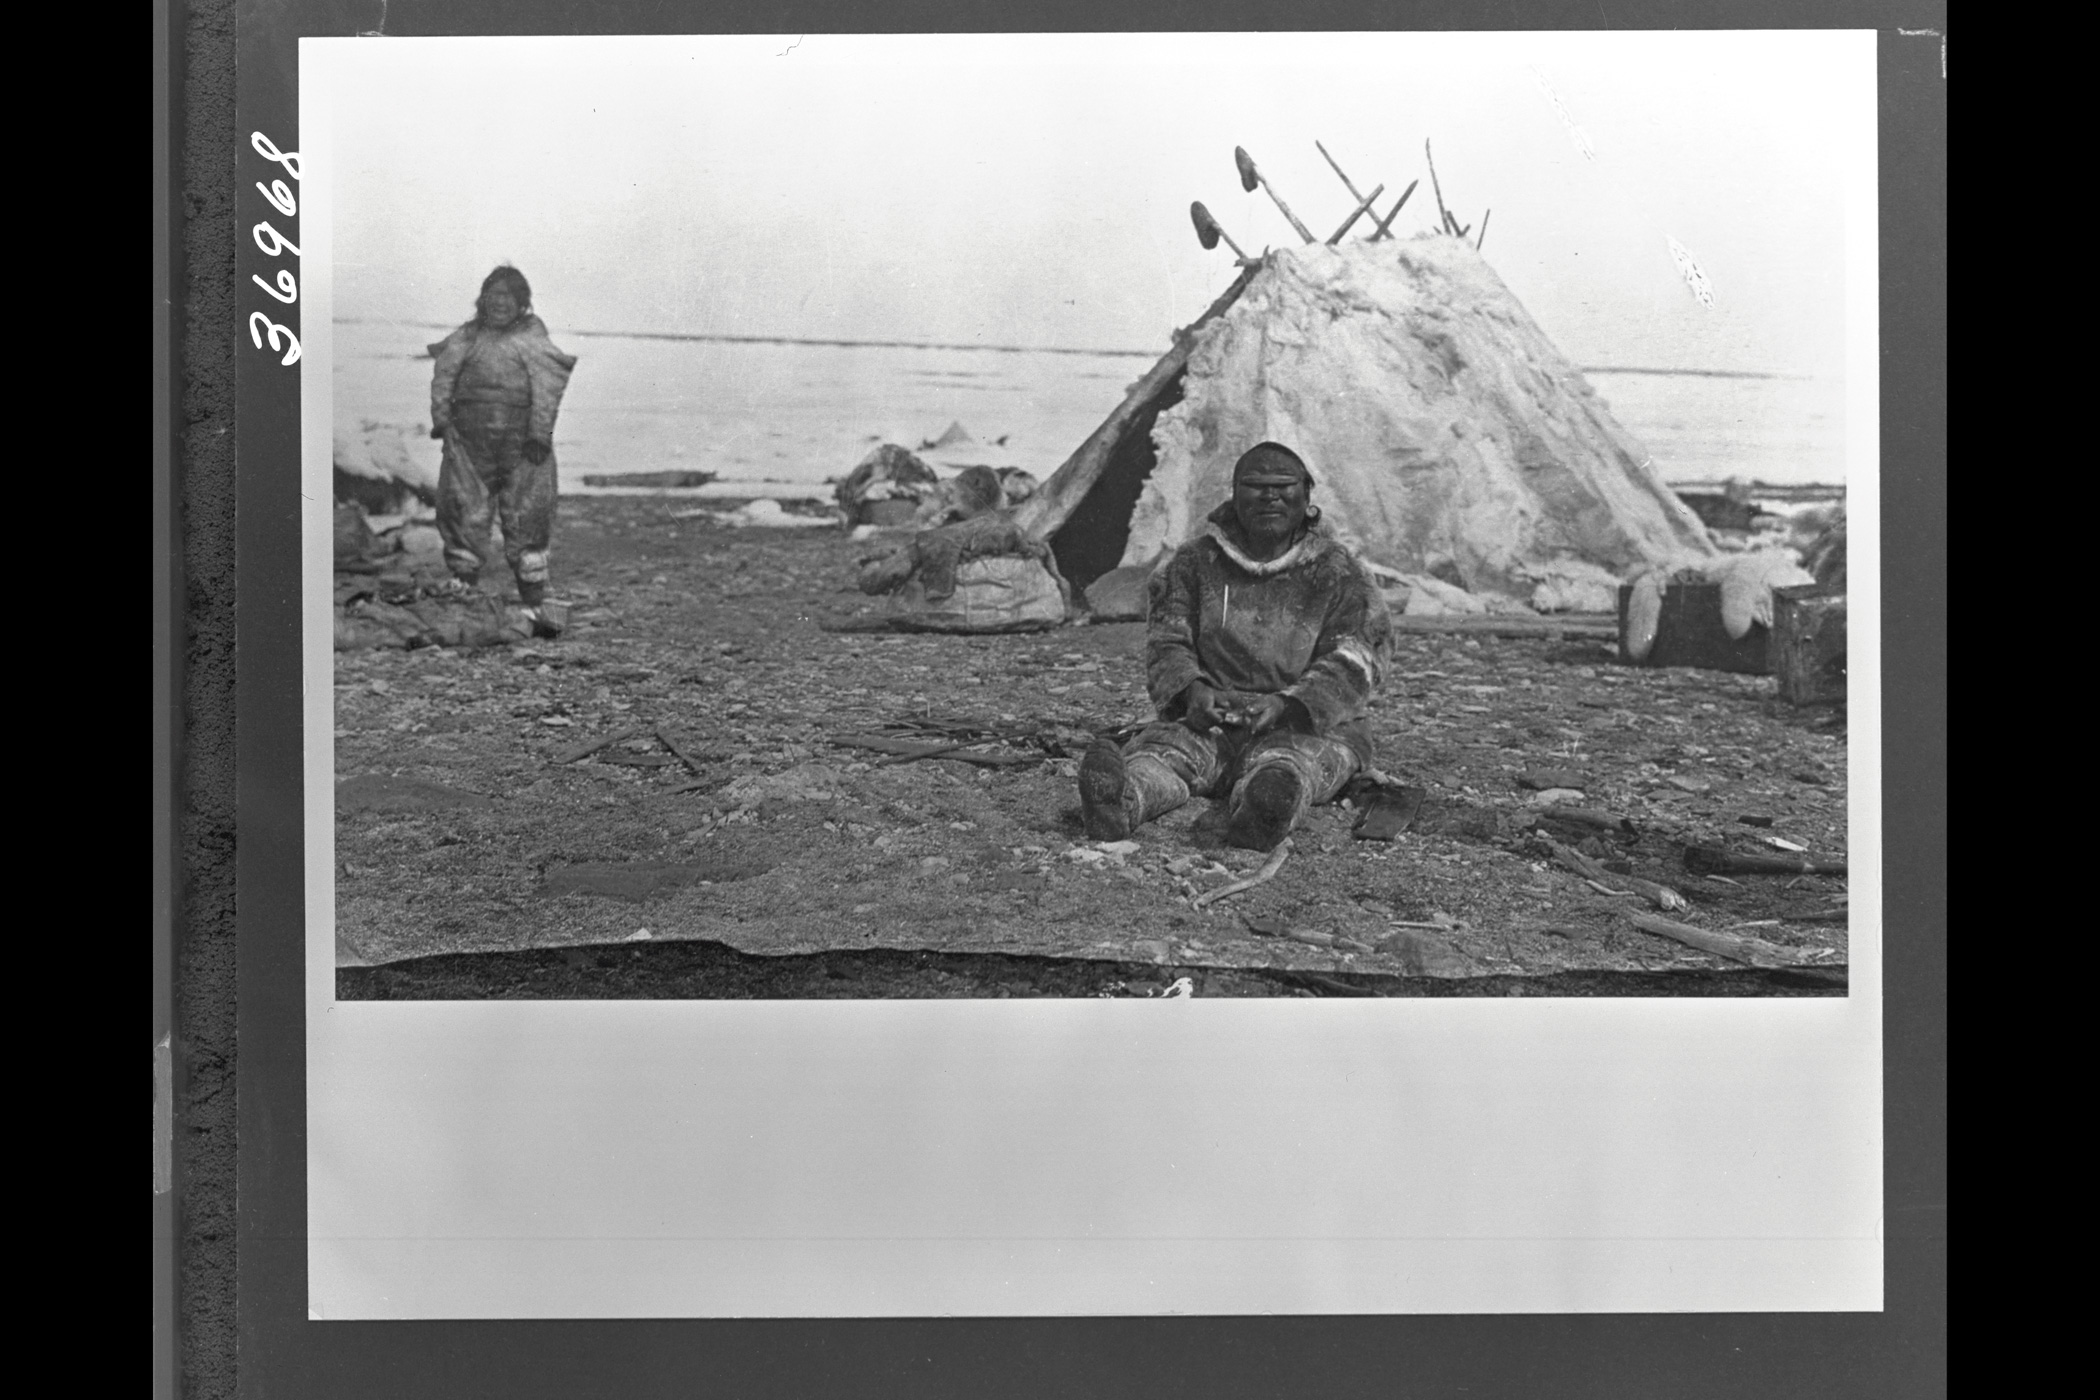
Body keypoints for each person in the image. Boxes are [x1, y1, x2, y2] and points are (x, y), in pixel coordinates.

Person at [1077, 442, 1393, 851]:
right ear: (1234, 492)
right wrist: (1191, 689)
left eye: (1283, 486)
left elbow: (1358, 655)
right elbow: (1167, 640)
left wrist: (1288, 704)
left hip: (1305, 723)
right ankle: (1120, 802)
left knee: (1293, 766)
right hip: (1212, 719)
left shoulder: (1338, 570)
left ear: (1307, 494)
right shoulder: (1194, 563)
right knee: (1165, 755)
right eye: (1255, 486)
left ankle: (1264, 812)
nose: (1270, 496)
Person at [427, 266, 577, 627]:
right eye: (493, 295)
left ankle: (534, 598)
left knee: (529, 513)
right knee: (462, 509)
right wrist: (443, 422)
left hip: (522, 444)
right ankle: (463, 589)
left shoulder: (532, 337)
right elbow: (443, 377)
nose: (499, 303)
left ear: (521, 303)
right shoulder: (467, 336)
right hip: (469, 441)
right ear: (482, 300)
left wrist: (540, 435)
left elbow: (548, 387)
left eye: (507, 296)